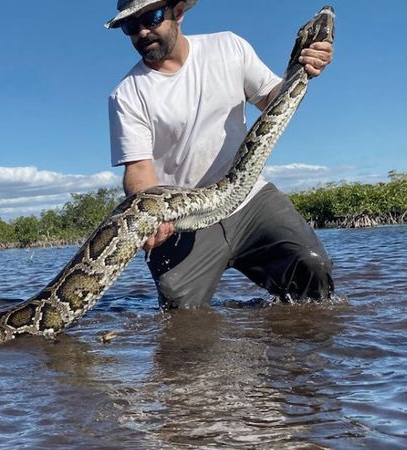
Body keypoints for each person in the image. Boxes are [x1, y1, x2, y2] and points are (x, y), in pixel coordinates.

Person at [105, 0, 335, 308]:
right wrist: (152, 214)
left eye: (151, 18)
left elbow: (271, 99)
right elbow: (138, 170)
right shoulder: (127, 95)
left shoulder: (228, 46)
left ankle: (299, 351)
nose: (143, 32)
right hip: (182, 217)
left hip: (249, 198)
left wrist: (303, 69)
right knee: (180, 314)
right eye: (131, 27)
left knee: (312, 267)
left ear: (178, 12)